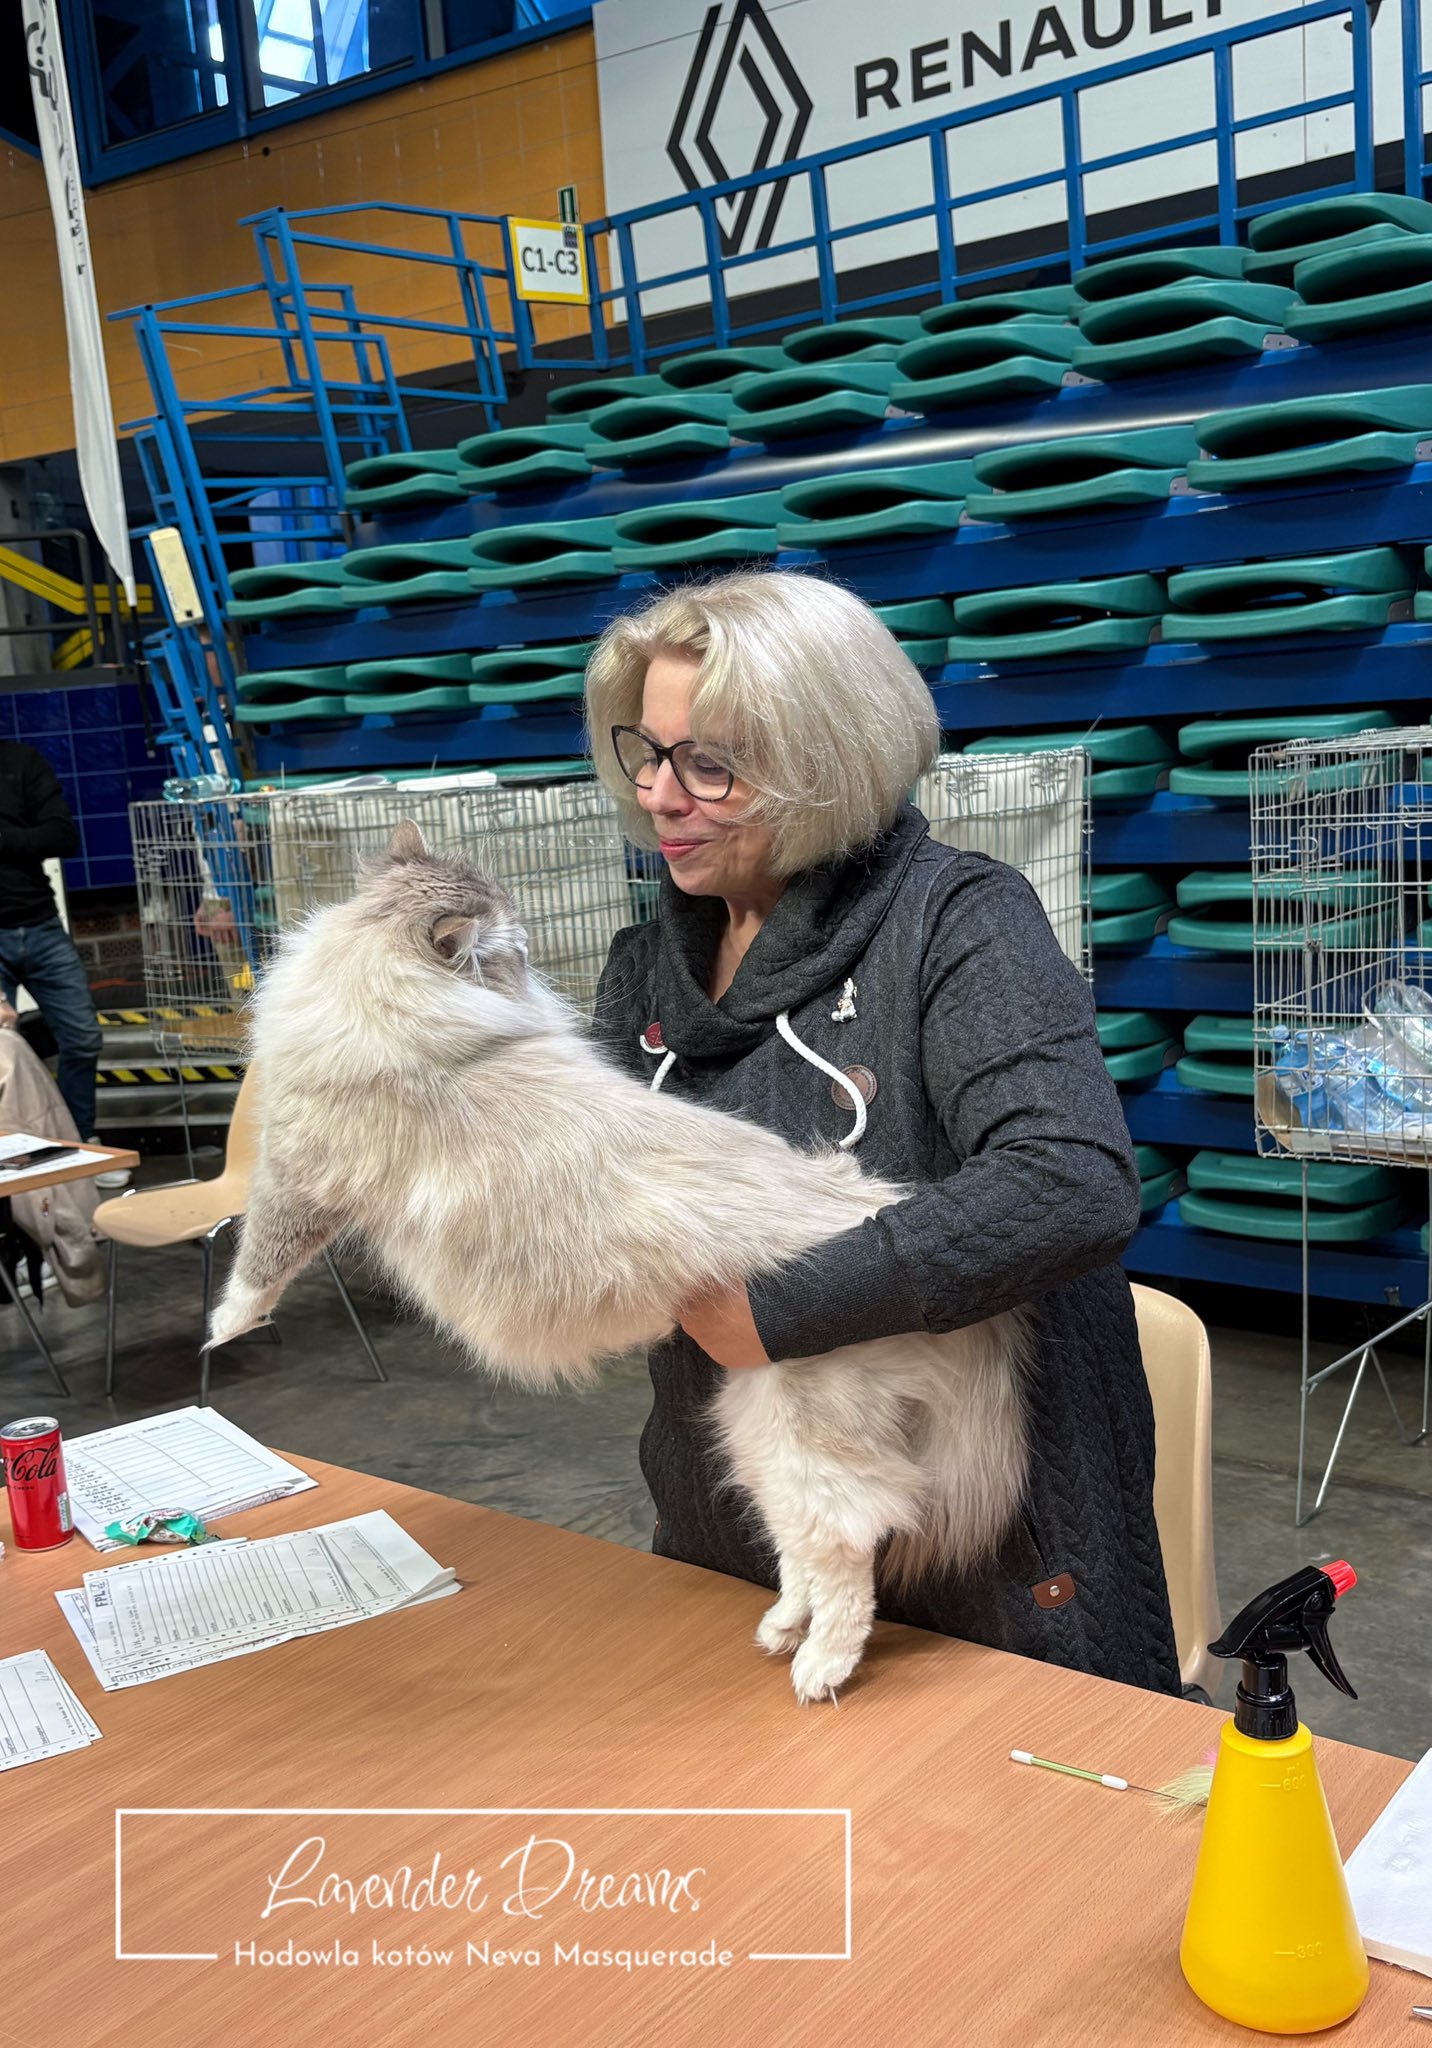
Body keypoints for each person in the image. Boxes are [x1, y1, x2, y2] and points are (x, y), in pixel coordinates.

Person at [585, 571, 1181, 1697]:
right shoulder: (644, 967)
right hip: (732, 1541)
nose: (662, 794)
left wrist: (767, 1306)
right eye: (648, 751)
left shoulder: (958, 921)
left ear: (827, 758)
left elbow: (1068, 1182)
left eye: (709, 760)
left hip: (979, 1564)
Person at [0, 740, 103, 1141]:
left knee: (83, 1039)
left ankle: (77, 1142)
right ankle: (16, 1158)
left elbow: (61, 835)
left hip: (41, 925)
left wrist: (5, 840)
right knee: (3, 1055)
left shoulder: (21, 761)